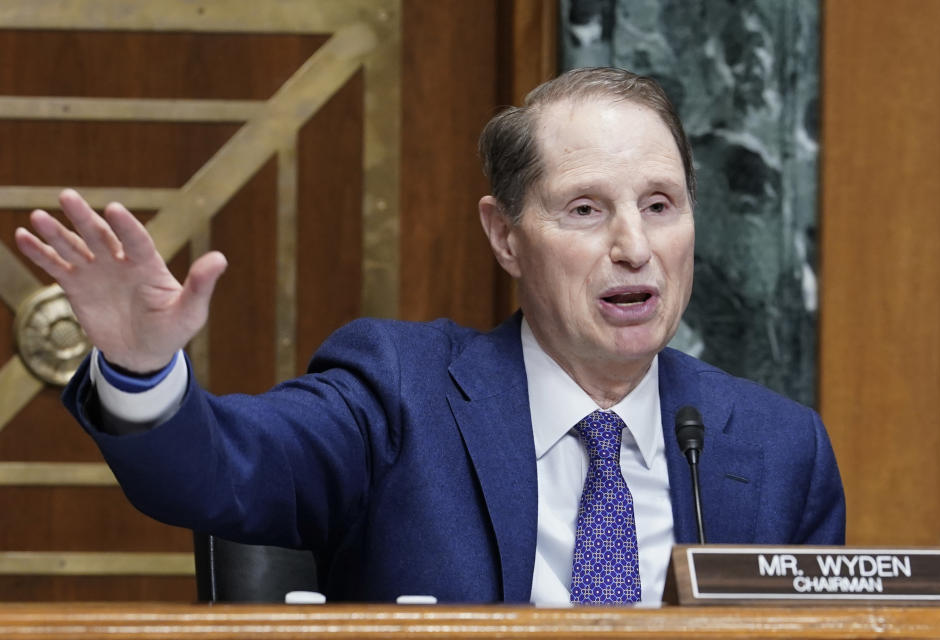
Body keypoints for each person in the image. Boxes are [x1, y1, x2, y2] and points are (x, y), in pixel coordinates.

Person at [14, 67, 844, 606]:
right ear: (505, 234)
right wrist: (143, 368)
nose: (635, 246)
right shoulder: (398, 393)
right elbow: (228, 471)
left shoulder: (778, 451)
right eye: (586, 209)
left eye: (661, 205)